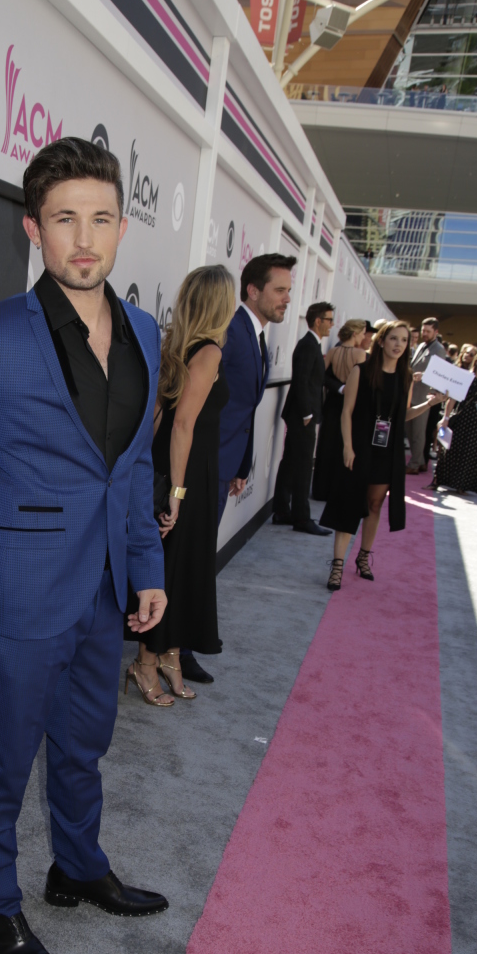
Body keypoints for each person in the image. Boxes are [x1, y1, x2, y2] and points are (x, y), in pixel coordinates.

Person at [0, 138, 168, 954]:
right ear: (35, 229)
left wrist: (148, 566)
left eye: (100, 218)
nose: (84, 238)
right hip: (18, 594)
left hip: (104, 590)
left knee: (85, 743)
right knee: (5, 753)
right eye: (65, 220)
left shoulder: (146, 332)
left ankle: (78, 865)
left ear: (123, 227)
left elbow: (129, 468)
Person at [181, 250, 295, 685]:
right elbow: (195, 408)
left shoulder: (255, 334)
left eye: (288, 289)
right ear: (254, 290)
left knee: (197, 558)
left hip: (224, 465)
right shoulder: (229, 331)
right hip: (200, 467)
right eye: (279, 289)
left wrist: (242, 464)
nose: (287, 298)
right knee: (191, 561)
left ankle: (177, 643)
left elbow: (241, 409)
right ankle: (179, 647)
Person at [127, 266, 234, 705]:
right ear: (220, 304)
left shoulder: (176, 344)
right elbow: (182, 425)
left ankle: (169, 655)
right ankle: (145, 663)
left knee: (181, 568)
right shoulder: (207, 352)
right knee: (171, 571)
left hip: (182, 473)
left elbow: (158, 417)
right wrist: (177, 491)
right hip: (186, 476)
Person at [321, 321, 444, 589]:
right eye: (393, 339)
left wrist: (428, 404)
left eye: (403, 340)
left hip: (387, 452)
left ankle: (363, 557)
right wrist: (347, 446)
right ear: (381, 341)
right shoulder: (361, 371)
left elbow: (404, 415)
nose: (399, 344)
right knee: (350, 503)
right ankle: (337, 565)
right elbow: (346, 411)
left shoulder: (405, 377)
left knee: (374, 505)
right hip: (359, 448)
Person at [272, 300, 335, 534]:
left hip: (301, 415)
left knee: (290, 463)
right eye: (329, 319)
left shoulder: (312, 344)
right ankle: (301, 518)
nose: (332, 324)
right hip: (302, 416)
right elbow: (301, 380)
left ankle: (281, 511)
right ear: (318, 321)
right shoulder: (309, 345)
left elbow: (314, 380)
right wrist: (308, 413)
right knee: (301, 467)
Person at [312, 318, 368, 502]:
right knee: (344, 445)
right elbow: (362, 384)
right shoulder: (361, 354)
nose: (363, 336)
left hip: (332, 403)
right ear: (354, 334)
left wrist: (338, 388)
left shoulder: (333, 351)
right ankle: (338, 491)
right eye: (362, 333)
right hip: (351, 406)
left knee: (326, 445)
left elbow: (322, 377)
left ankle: (320, 490)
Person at [433, 348, 477, 494]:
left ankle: (463, 485)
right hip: (462, 418)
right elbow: (453, 399)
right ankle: (441, 480)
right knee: (450, 449)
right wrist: (446, 417)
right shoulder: (465, 378)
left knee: (473, 453)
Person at [406, 317, 446, 473]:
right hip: (412, 394)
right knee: (410, 431)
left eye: (428, 331)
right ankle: (420, 461)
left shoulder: (439, 349)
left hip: (423, 396)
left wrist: (424, 375)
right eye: (423, 330)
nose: (425, 334)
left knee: (418, 433)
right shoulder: (421, 345)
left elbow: (439, 373)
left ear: (436, 332)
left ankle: (415, 464)